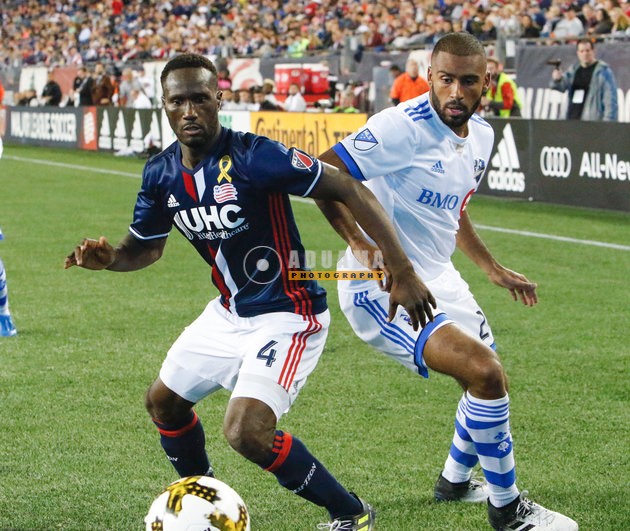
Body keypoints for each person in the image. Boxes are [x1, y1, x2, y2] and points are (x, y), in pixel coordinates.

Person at [64, 53, 435, 531]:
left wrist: (399, 267)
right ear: (164, 105)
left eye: (200, 98)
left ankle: (351, 512)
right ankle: (203, 500)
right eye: (178, 101)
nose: (190, 111)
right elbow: (146, 248)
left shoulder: (255, 156)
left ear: (219, 99)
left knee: (246, 432)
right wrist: (111, 258)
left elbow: (346, 187)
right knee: (163, 403)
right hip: (229, 313)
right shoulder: (159, 173)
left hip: (289, 314)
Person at [315, 33, 579, 531]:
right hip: (382, 288)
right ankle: (507, 510)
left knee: (488, 380)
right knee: (484, 373)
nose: (456, 92)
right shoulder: (400, 127)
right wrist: (361, 246)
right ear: (431, 77)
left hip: (440, 276)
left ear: (487, 82)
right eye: (446, 79)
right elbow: (323, 172)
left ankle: (454, 482)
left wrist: (491, 268)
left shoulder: (481, 136)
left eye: (468, 81)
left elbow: (454, 210)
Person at [550, 38, 618, 121]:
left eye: (587, 50)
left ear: (593, 51)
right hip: (571, 120)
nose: (585, 54)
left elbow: (610, 101)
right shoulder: (574, 70)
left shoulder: (603, 72)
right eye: (582, 51)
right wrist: (557, 79)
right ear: (578, 53)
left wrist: (608, 124)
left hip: (591, 123)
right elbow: (561, 87)